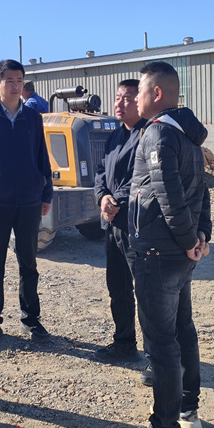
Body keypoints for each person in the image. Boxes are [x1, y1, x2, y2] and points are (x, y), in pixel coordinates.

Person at [128, 61, 211, 428]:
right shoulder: (187, 134)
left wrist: (193, 239)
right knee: (183, 331)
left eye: (141, 91)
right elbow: (202, 191)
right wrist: (200, 236)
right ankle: (188, 411)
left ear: (157, 93)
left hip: (157, 254)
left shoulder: (158, 133)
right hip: (178, 253)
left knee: (162, 343)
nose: (136, 99)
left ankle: (164, 424)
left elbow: (169, 196)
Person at [0, 59, 53, 349]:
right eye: (10, 80)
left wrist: (46, 193)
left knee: (28, 263)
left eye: (19, 80)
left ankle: (31, 319)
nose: (16, 85)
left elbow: (42, 157)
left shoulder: (33, 118)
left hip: (29, 202)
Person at [93, 79, 146, 364]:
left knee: (146, 290)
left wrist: (116, 201)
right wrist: (102, 197)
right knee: (118, 287)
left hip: (136, 224)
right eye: (117, 97)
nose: (119, 103)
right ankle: (124, 343)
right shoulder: (115, 136)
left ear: (141, 100)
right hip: (112, 224)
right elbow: (101, 171)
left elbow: (141, 178)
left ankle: (155, 357)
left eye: (127, 98)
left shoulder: (147, 134)